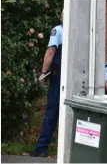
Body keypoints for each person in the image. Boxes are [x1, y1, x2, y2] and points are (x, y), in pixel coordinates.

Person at [29, 10, 63, 157]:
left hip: (59, 77)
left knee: (51, 112)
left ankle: (42, 148)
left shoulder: (58, 30)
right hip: (75, 76)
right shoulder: (79, 31)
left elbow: (51, 51)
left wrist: (43, 73)